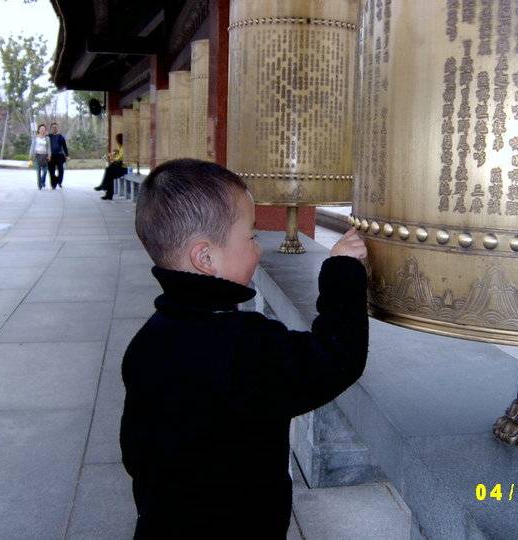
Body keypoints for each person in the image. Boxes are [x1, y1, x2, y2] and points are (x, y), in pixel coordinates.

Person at [120, 159, 369, 539]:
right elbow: (336, 357)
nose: (258, 249)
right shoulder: (245, 346)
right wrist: (342, 272)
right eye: (251, 236)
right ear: (205, 258)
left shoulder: (147, 342)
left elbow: (134, 453)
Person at [95, 133, 125, 200]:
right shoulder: (120, 147)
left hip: (123, 168)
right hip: (119, 166)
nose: (117, 141)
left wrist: (113, 157)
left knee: (108, 171)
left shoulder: (124, 148)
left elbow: (120, 158)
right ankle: (107, 194)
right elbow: (118, 158)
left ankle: (104, 187)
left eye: (117, 139)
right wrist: (114, 155)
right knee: (109, 175)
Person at [48, 122, 69, 189]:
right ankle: (53, 184)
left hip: (60, 156)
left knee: (61, 170)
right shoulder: (49, 137)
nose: (54, 128)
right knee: (51, 171)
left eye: (56, 127)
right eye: (53, 127)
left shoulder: (61, 137)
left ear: (58, 128)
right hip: (51, 156)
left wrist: (67, 155)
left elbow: (65, 147)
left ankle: (59, 182)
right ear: (51, 129)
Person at [29, 124, 50, 190]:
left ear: (45, 130)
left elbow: (49, 148)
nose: (42, 130)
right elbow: (32, 147)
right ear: (38, 130)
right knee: (38, 172)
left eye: (44, 129)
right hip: (37, 156)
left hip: (45, 156)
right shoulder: (35, 137)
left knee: (45, 171)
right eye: (41, 128)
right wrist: (30, 156)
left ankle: (42, 181)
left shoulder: (47, 138)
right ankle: (39, 185)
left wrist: (49, 155)